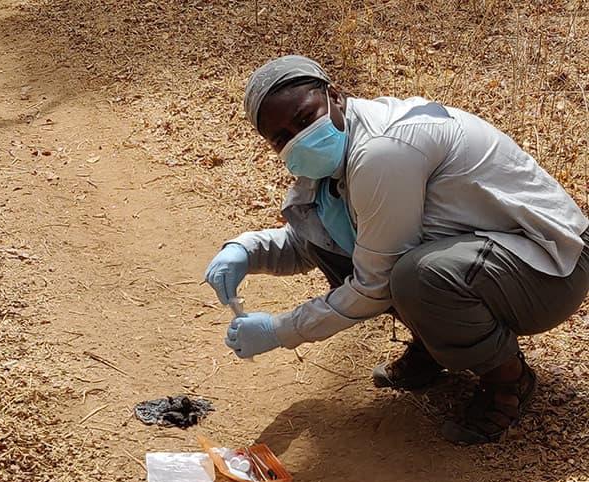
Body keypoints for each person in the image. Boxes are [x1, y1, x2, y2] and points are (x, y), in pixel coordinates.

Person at [205, 55, 589, 444]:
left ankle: (508, 380)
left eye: (304, 119)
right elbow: (319, 241)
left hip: (553, 267)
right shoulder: (336, 158)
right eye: (282, 137)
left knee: (414, 277)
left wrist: (280, 330)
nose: (298, 138)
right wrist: (246, 249)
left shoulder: (381, 151)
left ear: (334, 96)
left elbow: (375, 285)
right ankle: (437, 347)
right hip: (489, 258)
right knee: (386, 262)